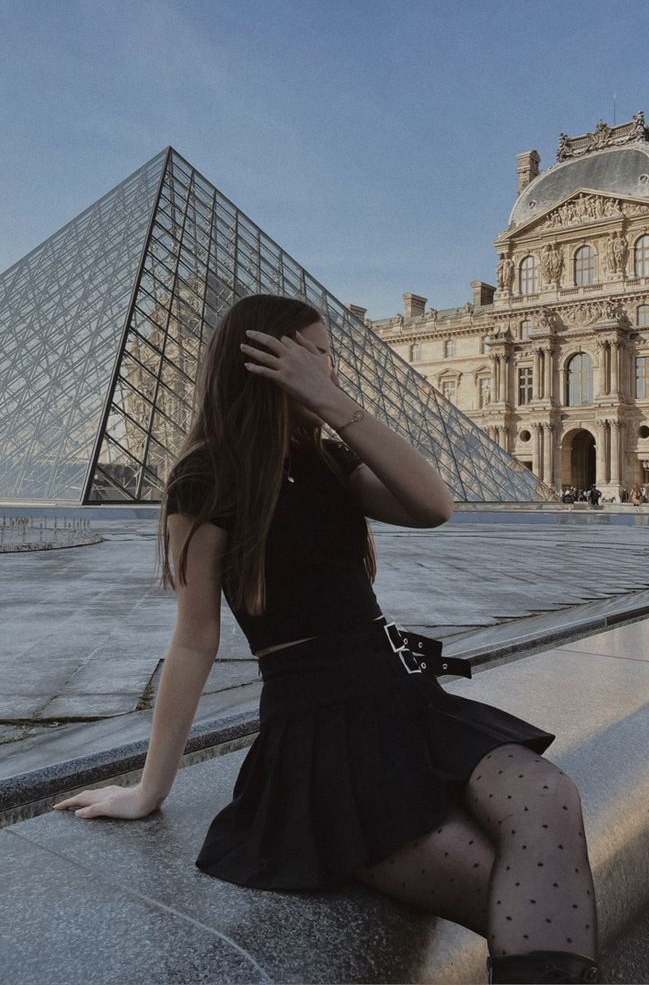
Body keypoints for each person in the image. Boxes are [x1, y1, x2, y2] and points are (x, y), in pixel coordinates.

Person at [52, 294, 600, 985]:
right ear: (260, 363)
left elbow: (435, 506)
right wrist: (149, 788)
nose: (327, 373)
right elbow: (194, 640)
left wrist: (336, 405)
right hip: (324, 731)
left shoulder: (331, 459)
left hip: (408, 700)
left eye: (330, 359)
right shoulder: (206, 477)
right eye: (309, 358)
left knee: (551, 796)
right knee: (505, 883)